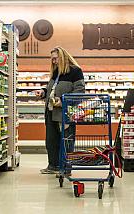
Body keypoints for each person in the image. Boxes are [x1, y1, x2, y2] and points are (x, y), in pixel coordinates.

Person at [35, 46, 85, 174]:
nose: (54, 62)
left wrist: (63, 101)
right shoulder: (56, 72)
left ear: (63, 57)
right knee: (51, 141)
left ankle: (66, 167)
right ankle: (53, 166)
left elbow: (80, 92)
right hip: (51, 112)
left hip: (65, 113)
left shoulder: (75, 71)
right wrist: (43, 92)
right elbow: (51, 89)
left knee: (66, 142)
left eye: (55, 58)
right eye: (52, 59)